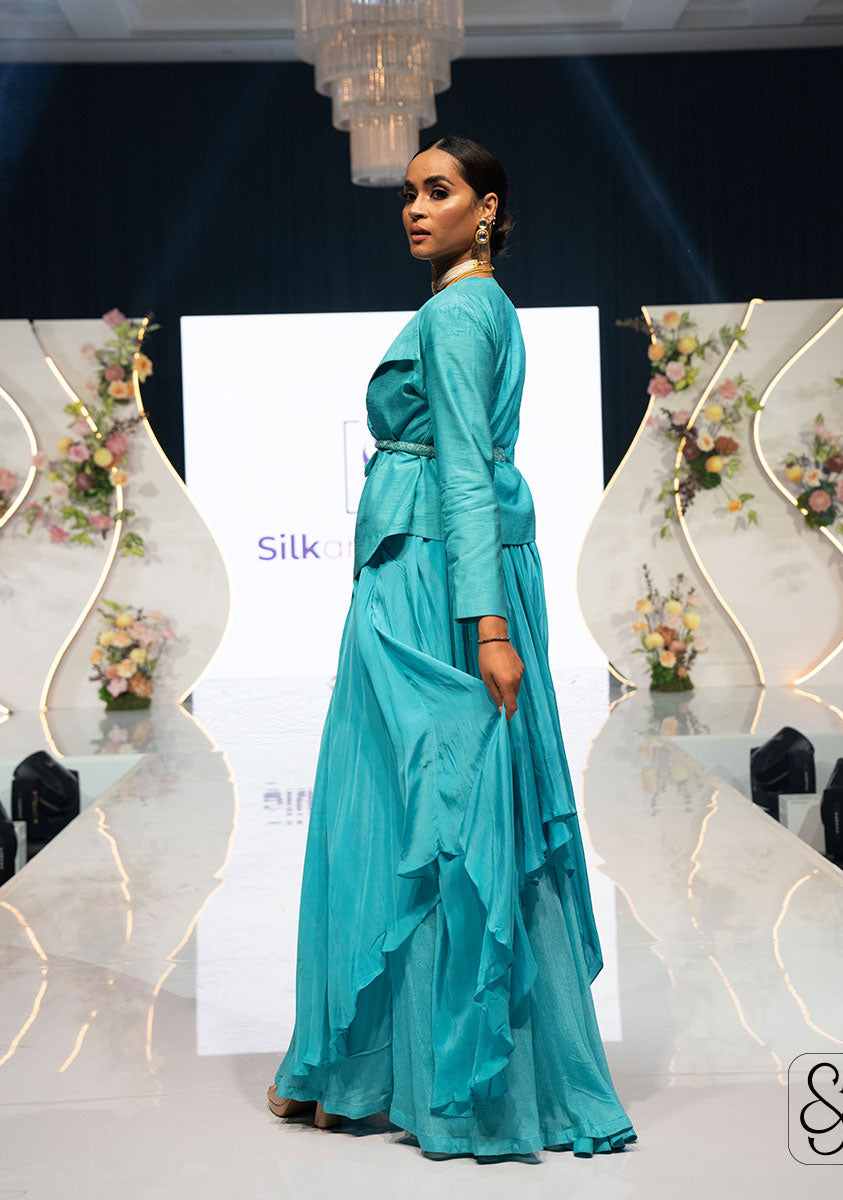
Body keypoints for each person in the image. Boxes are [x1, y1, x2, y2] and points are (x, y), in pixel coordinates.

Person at [267, 135, 637, 1160]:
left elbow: (468, 468)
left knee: (426, 813)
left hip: (436, 580)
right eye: (408, 193)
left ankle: (415, 1076)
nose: (414, 208)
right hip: (422, 564)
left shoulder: (459, 311)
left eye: (438, 191)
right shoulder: (467, 308)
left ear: (488, 209)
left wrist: (486, 626)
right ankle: (367, 1067)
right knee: (409, 808)